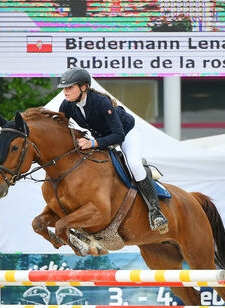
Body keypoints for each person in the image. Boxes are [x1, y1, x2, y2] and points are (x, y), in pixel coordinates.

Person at [56, 67, 168, 233]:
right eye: (64, 88)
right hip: (100, 138)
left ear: (83, 87)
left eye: (70, 87)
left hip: (126, 133)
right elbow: (60, 129)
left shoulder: (101, 102)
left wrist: (92, 143)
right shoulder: (67, 105)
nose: (65, 91)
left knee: (135, 165)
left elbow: (118, 135)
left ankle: (155, 211)